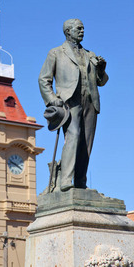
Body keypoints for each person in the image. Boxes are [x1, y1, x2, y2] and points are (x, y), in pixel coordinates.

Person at [38, 19, 108, 191]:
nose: (82, 31)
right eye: (79, 28)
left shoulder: (90, 54)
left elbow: (102, 81)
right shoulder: (56, 53)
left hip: (90, 101)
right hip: (70, 101)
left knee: (86, 142)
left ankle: (80, 182)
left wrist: (101, 69)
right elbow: (43, 79)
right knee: (74, 135)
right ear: (68, 31)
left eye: (83, 28)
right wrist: (52, 99)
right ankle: (65, 181)